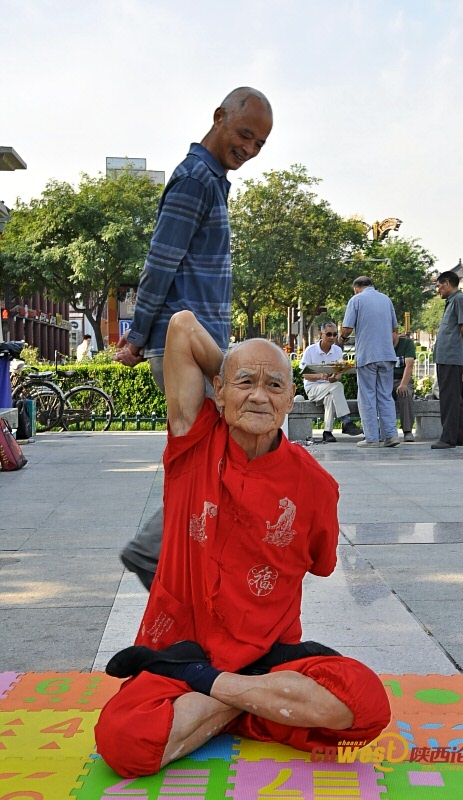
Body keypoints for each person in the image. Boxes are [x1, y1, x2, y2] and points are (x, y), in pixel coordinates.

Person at [94, 311, 390, 778]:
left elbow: (322, 562)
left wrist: (207, 683)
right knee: (124, 742)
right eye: (245, 383)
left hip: (268, 658)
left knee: (368, 704)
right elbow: (182, 326)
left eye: (274, 386)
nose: (258, 395)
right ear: (217, 390)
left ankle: (214, 692)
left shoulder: (316, 485)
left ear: (291, 399)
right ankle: (248, 703)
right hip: (183, 649)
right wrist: (239, 371)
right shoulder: (193, 443)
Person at [114, 87, 273, 590]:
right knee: (215, 456)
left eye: (260, 144)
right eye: (245, 134)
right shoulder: (194, 180)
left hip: (202, 345)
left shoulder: (213, 182)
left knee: (218, 455)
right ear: (219, 117)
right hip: (181, 345)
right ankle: (153, 551)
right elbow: (160, 262)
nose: (250, 149)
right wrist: (137, 336)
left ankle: (183, 563)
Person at [341, 277, 399, 448]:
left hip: (367, 355)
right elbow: (395, 330)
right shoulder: (386, 299)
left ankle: (372, 437)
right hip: (387, 355)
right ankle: (391, 435)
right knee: (385, 395)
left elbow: (347, 328)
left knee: (367, 396)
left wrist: (342, 338)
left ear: (356, 288)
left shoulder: (356, 300)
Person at [299, 321, 362, 442]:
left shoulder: (337, 350)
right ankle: (346, 421)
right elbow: (304, 374)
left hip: (330, 388)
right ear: (321, 334)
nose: (332, 337)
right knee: (337, 386)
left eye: (334, 334)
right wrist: (321, 376)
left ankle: (327, 432)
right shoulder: (310, 350)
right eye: (328, 334)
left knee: (330, 397)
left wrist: (335, 378)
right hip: (313, 389)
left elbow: (339, 373)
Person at [431, 271, 463, 449]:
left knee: (449, 397)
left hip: (451, 356)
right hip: (447, 356)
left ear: (447, 283)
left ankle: (448, 438)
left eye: (439, 285)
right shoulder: (452, 301)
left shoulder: (459, 299)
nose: (438, 289)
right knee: (453, 397)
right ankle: (457, 436)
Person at [393, 332, 416, 442]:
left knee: (404, 394)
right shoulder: (382, 344)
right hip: (386, 380)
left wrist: (403, 384)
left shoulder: (407, 344)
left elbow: (409, 365)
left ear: (396, 333)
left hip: (402, 379)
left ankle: (407, 431)